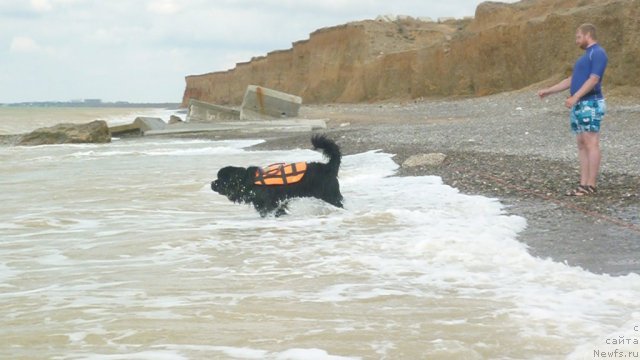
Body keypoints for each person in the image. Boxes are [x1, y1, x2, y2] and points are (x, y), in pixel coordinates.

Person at [537, 23, 608, 196]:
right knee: (582, 144)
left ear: (588, 35)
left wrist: (575, 96)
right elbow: (572, 79)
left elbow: (594, 80)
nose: (576, 41)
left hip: (590, 103)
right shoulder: (584, 57)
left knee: (591, 143)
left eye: (578, 37)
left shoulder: (598, 53)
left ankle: (591, 185)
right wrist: (549, 90)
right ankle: (583, 184)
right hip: (579, 104)